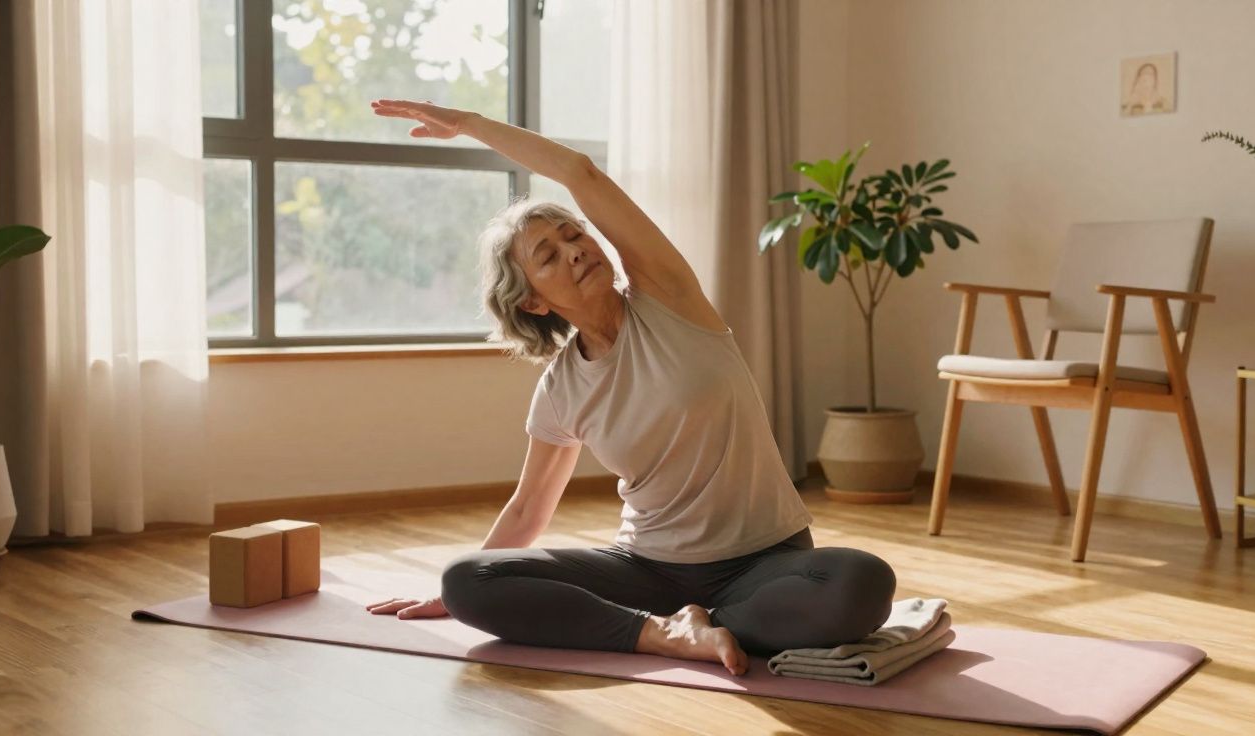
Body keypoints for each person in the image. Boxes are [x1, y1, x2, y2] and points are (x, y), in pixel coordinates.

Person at [364, 99, 896, 676]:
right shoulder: (562, 388)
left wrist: (469, 125)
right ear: (533, 301)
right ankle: (660, 635)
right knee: (468, 578)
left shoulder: (669, 299)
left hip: (764, 563)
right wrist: (456, 596)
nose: (574, 249)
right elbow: (528, 508)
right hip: (646, 570)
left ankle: (703, 623)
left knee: (860, 582)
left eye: (574, 235)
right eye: (548, 255)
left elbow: (580, 174)